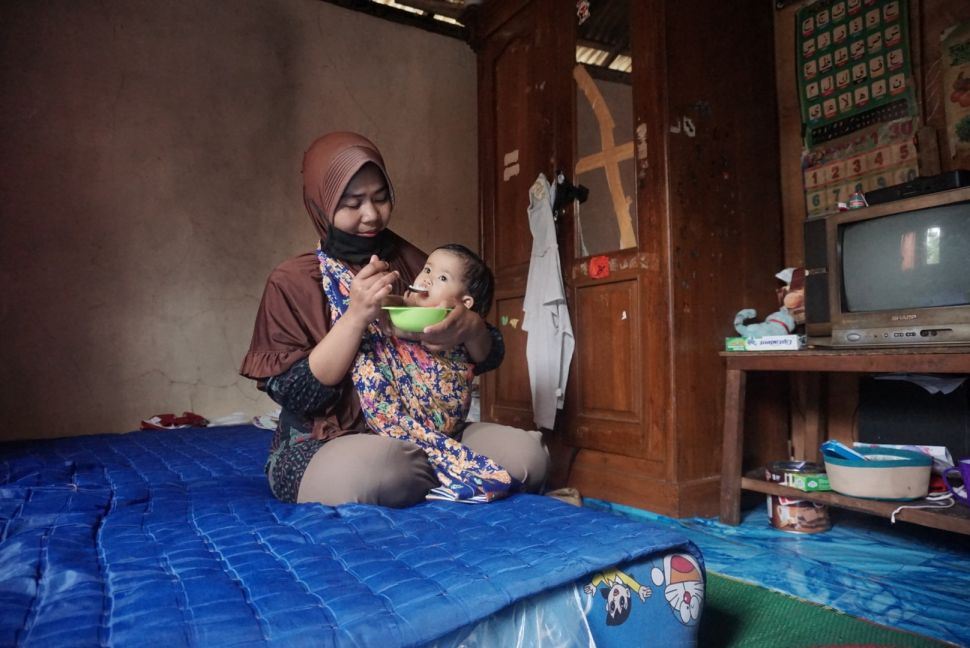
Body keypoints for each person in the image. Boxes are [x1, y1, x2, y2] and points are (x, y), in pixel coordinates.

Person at [240, 132, 549, 507]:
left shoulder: (415, 263)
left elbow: (486, 356)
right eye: (352, 203)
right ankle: (443, 477)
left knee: (528, 457)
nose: (371, 214)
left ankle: (436, 476)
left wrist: (471, 328)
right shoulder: (292, 281)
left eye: (381, 198)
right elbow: (295, 394)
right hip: (327, 439)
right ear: (321, 204)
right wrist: (355, 319)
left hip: (427, 428)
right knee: (383, 470)